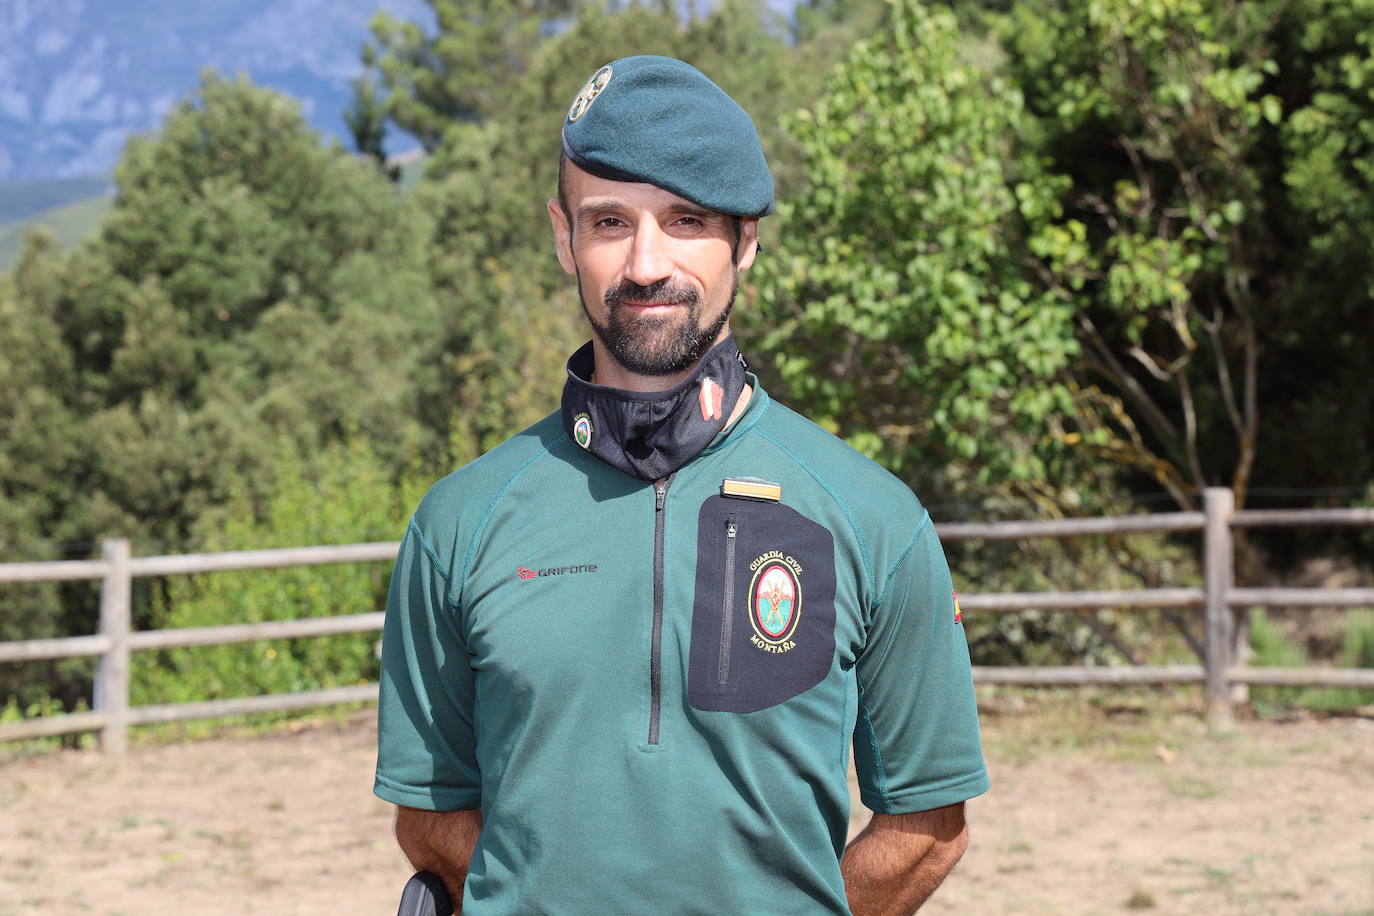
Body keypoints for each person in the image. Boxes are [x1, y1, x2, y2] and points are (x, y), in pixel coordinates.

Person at [374, 55, 988, 915]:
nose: (645, 263)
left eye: (687, 220)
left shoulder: (874, 519)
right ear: (564, 238)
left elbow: (929, 823)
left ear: (746, 242)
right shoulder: (458, 524)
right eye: (610, 222)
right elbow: (430, 812)